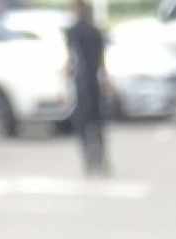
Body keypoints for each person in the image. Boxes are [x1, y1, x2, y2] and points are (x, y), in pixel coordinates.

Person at [66, 0, 108, 176]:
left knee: (82, 123)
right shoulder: (96, 31)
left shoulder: (73, 32)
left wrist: (68, 71)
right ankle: (101, 158)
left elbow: (72, 59)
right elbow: (101, 61)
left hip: (82, 82)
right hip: (94, 81)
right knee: (97, 121)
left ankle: (88, 160)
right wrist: (105, 80)